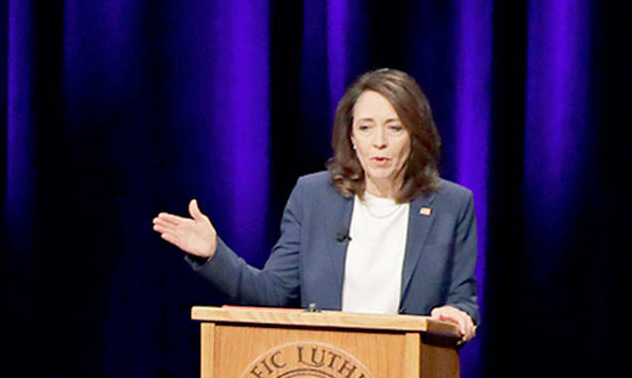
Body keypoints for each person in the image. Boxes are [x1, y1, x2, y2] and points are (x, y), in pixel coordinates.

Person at [152, 68, 478, 342]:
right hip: (327, 376)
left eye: (394, 128)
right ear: (351, 136)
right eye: (366, 127)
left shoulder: (451, 205)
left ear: (414, 134)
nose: (379, 141)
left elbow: (462, 299)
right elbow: (271, 292)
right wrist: (213, 253)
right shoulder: (314, 196)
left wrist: (458, 315)